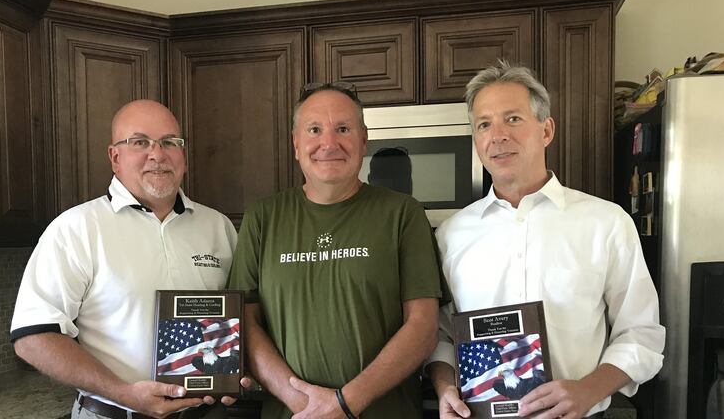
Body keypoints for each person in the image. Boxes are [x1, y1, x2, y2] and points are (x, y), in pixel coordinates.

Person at [426, 62, 665, 419]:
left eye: (513, 119)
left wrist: (587, 391)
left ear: (546, 130)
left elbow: (641, 333)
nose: (498, 135)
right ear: (476, 140)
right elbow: (443, 336)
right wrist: (445, 388)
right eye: (484, 124)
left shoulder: (606, 222)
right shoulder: (452, 234)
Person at [10, 100, 247, 419]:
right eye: (140, 142)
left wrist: (237, 371)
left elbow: (239, 319)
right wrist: (125, 394)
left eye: (169, 142)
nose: (157, 154)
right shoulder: (76, 228)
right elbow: (33, 338)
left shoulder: (218, 227)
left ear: (183, 156)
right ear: (115, 157)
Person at [227, 82, 444, 419]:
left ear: (363, 138)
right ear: (296, 143)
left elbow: (423, 326)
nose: (329, 143)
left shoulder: (403, 213)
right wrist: (307, 406)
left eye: (343, 128)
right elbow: (246, 321)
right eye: (314, 129)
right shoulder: (263, 217)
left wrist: (345, 404)